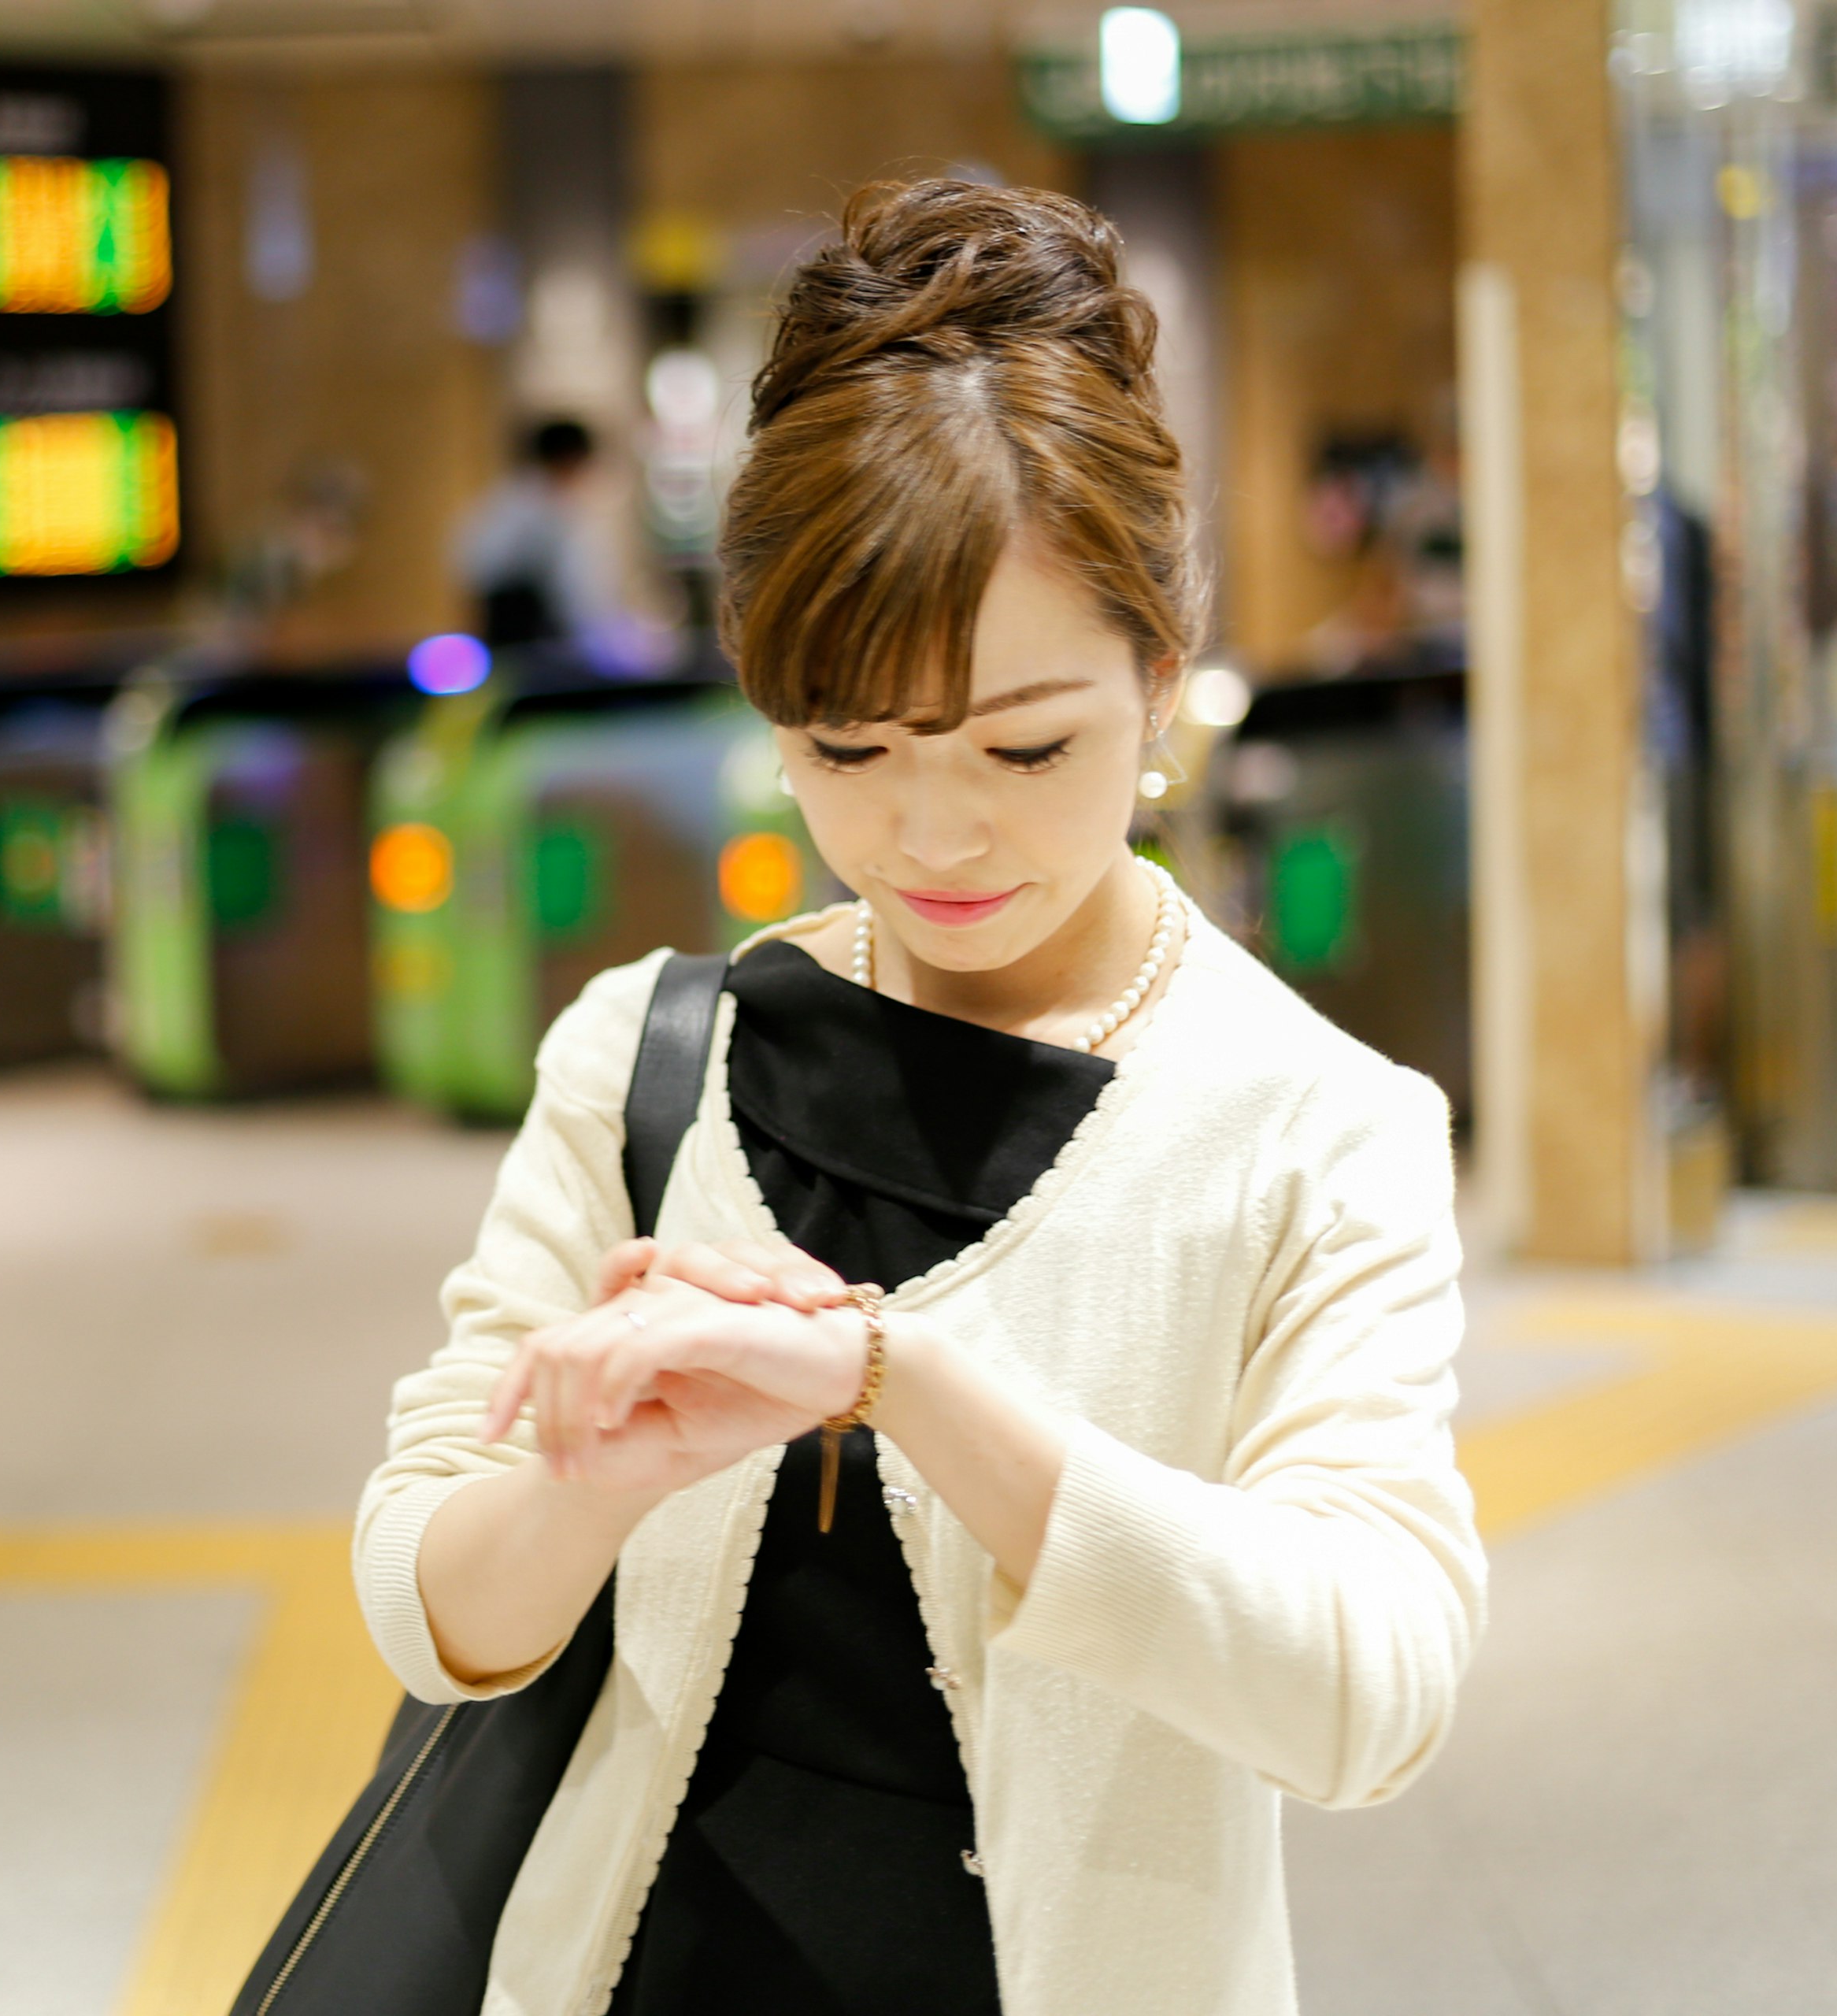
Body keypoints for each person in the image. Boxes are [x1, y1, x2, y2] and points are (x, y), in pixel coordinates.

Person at [357, 182, 1483, 2016]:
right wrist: (585, 1488)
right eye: (844, 750)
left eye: (1023, 745)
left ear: (1155, 671)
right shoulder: (651, 1057)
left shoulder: (1310, 1125)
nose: (933, 833)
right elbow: (424, 1591)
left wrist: (906, 1384)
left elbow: (1369, 1690)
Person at [456, 416, 640, 660]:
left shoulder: (554, 505)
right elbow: (476, 567)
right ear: (569, 459)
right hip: (521, 635)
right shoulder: (522, 506)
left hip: (549, 635)